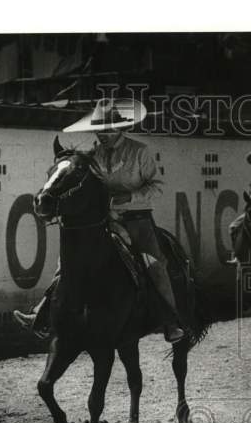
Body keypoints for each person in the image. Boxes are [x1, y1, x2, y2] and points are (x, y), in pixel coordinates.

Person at [13, 98, 186, 343]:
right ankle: (42, 314)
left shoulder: (140, 152)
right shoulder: (93, 154)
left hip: (137, 220)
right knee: (67, 262)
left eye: (109, 130)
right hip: (102, 219)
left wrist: (131, 195)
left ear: (121, 129)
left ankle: (171, 321)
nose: (103, 135)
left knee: (154, 264)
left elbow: (157, 186)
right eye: (100, 130)